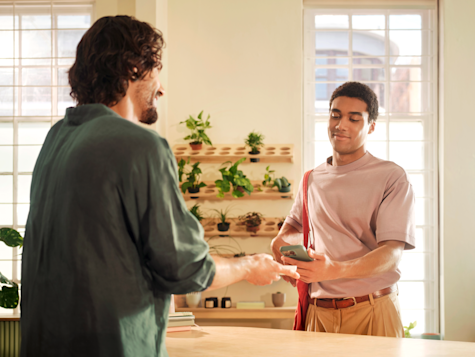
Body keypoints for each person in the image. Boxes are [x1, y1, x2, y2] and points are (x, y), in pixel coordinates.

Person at [20, 16, 298, 357]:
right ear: (134, 68)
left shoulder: (57, 138)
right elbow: (186, 268)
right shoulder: (140, 145)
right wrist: (249, 266)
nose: (161, 88)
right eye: (156, 71)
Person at [271, 82, 415, 337]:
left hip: (373, 310)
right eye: (335, 115)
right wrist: (286, 252)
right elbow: (290, 232)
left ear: (370, 126)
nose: (341, 125)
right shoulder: (311, 179)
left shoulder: (391, 177)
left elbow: (392, 252)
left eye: (354, 118)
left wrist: (334, 269)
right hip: (319, 315)